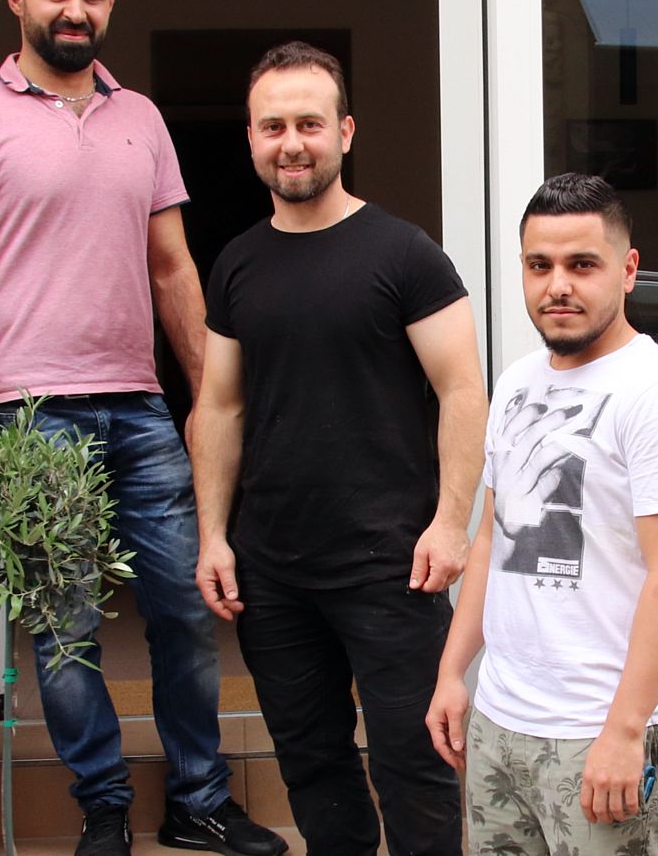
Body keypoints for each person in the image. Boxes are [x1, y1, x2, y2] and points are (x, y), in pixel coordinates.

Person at [0, 0, 284, 856]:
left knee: (187, 608)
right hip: (26, 414)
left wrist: (210, 400)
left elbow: (172, 267)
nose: (73, 9)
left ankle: (199, 800)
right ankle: (103, 804)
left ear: (111, 1)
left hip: (141, 406)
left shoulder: (142, 118)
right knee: (66, 627)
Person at [191, 41, 487, 856]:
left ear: (345, 132)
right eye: (273, 126)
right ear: (251, 138)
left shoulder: (406, 254)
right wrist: (213, 534)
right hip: (272, 570)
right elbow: (219, 405)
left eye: (310, 124)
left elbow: (464, 391)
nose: (292, 143)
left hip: (392, 564)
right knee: (312, 764)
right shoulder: (237, 263)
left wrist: (451, 522)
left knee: (414, 764)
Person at [426, 173, 658, 856]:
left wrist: (625, 730)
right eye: (540, 265)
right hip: (502, 719)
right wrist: (452, 673)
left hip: (602, 732)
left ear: (628, 269)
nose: (557, 285)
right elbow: (495, 540)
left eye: (582, 264)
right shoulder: (517, 383)